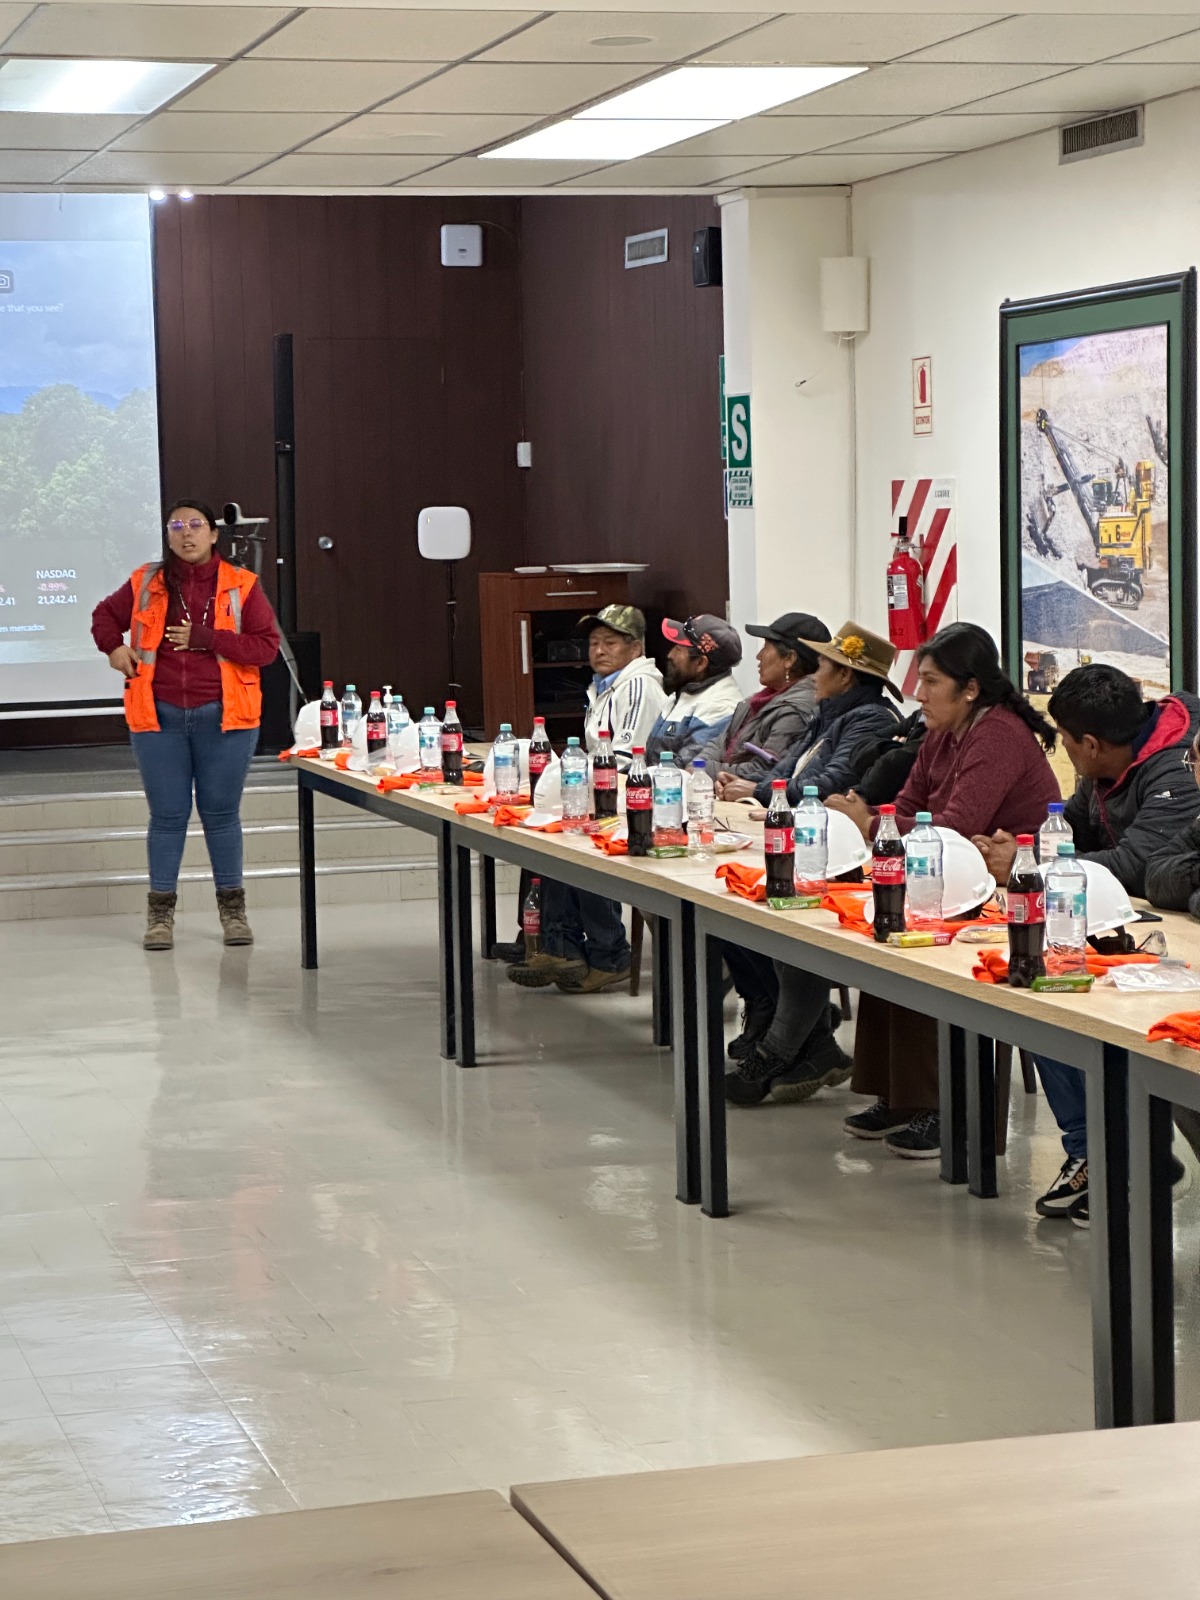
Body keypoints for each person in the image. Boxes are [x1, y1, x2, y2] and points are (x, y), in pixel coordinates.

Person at [729, 623, 1060, 1146]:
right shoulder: (943, 732)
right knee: (884, 930)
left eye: (930, 682)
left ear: (969, 688)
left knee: (919, 944)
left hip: (1011, 893)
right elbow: (907, 806)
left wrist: (870, 824)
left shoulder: (995, 735)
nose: (919, 695)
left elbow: (952, 824)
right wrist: (879, 822)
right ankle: (903, 1093)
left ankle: (945, 1102)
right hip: (945, 876)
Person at [974, 665, 1200, 1224]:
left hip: (1169, 946)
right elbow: (1160, 867)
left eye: (1069, 746)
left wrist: (1037, 867)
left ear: (1092, 744)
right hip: (1136, 932)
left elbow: (1141, 868)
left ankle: (1123, 1154)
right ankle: (1093, 1150)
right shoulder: (1109, 763)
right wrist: (1023, 852)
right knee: (1040, 984)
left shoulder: (1172, 769)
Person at [720, 623, 903, 1092]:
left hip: (843, 853)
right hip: (802, 834)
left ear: (845, 676)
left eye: (822, 664)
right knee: (735, 908)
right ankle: (800, 1031)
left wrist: (759, 791)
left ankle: (781, 1049)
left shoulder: (871, 719)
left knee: (782, 923)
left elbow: (832, 781)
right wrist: (754, 788)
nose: (814, 671)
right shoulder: (829, 712)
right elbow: (789, 768)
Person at [91, 499, 280, 951]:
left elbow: (266, 648)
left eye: (196, 525)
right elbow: (103, 617)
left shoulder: (241, 585)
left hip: (225, 718)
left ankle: (233, 913)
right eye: (176, 526)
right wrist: (113, 649)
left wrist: (207, 638)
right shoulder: (147, 580)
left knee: (220, 815)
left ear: (214, 535)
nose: (186, 534)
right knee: (168, 817)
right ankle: (160, 918)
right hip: (159, 718)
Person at [509, 605, 666, 995]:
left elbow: (626, 757)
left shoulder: (638, 686)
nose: (598, 650)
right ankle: (562, 949)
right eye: (594, 643)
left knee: (578, 844)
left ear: (635, 648)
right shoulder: (604, 687)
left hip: (634, 798)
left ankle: (607, 953)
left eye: (610, 643)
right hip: (603, 792)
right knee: (555, 841)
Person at [693, 612, 831, 781]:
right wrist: (699, 765)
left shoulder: (795, 710)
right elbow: (719, 743)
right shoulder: (755, 702)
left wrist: (702, 771)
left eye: (766, 648)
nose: (759, 656)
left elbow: (764, 770)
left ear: (789, 659)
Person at [645, 614, 743, 767]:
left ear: (700, 663)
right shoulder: (683, 693)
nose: (669, 655)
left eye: (678, 650)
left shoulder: (720, 706)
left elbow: (684, 768)